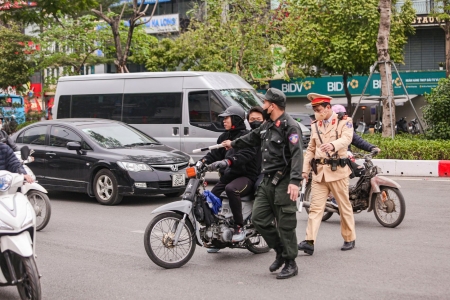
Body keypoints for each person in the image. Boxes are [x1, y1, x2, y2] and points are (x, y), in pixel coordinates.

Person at [222, 88, 303, 280]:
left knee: (285, 223)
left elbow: (298, 154)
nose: (263, 106)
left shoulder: (290, 127)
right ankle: (280, 251)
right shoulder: (267, 126)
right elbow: (251, 138)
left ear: (272, 106)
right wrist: (232, 144)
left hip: (283, 180)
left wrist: (295, 181)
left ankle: (291, 262)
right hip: (267, 180)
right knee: (259, 218)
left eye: (265, 103)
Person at [298, 93, 355, 256]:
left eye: (319, 109)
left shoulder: (344, 121)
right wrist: (304, 170)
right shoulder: (316, 125)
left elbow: (346, 139)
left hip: (337, 172)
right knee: (315, 208)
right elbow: (310, 149)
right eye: (315, 110)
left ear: (328, 107)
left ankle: (349, 237)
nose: (317, 112)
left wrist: (332, 145)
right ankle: (309, 241)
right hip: (319, 173)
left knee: (344, 206)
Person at [200, 106, 259, 244]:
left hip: (246, 176)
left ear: (236, 120)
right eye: (223, 119)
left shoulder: (247, 136)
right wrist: (200, 163)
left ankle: (239, 226)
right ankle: (217, 233)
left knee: (231, 189)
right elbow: (214, 154)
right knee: (211, 197)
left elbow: (246, 155)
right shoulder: (224, 136)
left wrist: (228, 161)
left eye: (226, 118)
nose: (223, 121)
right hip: (229, 176)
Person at [329, 104, 381, 207]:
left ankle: (355, 195)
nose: (342, 117)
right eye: (339, 115)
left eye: (343, 115)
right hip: (334, 160)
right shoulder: (329, 129)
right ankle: (335, 198)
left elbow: (357, 140)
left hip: (346, 159)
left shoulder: (347, 127)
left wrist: (372, 147)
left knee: (363, 172)